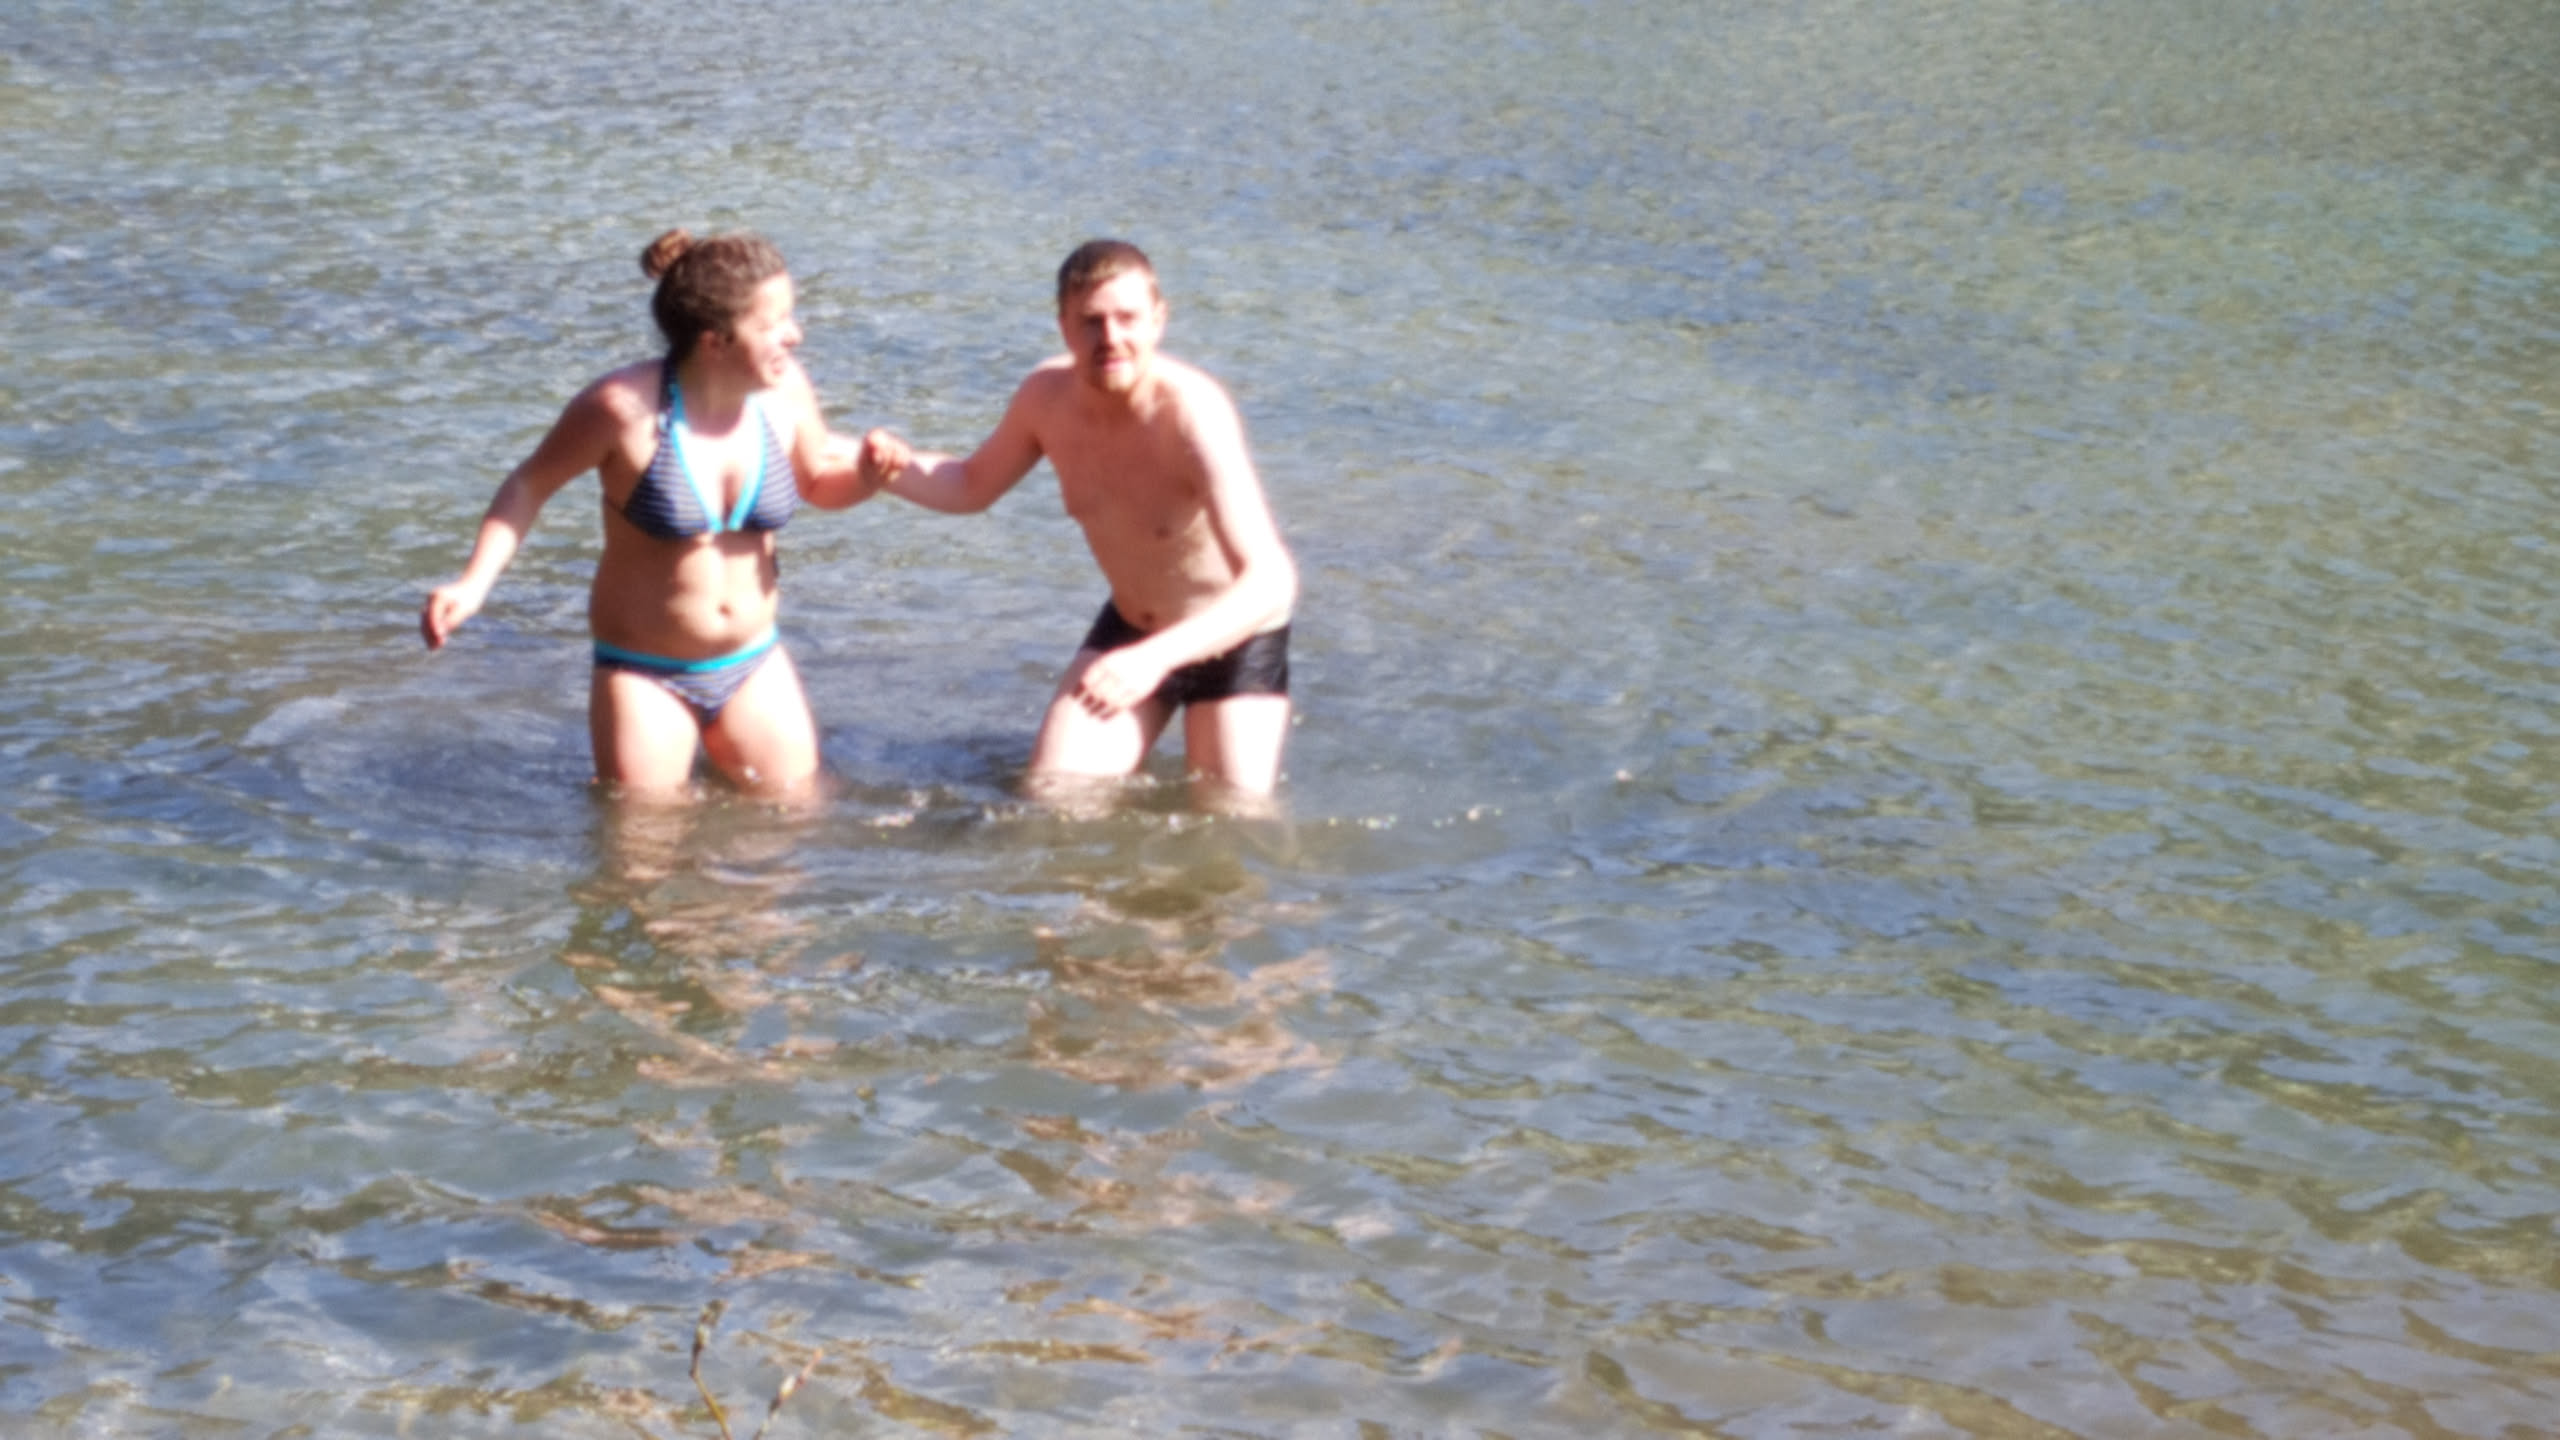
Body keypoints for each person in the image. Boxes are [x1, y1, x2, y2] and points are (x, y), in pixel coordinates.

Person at [420, 228, 899, 800]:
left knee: (793, 823)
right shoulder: (621, 410)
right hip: (644, 672)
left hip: (754, 660)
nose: (795, 335)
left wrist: (868, 478)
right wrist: (473, 584)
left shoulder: (785, 391)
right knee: (642, 842)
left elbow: (817, 480)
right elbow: (529, 484)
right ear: (715, 341)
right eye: (773, 324)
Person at [868, 240, 1299, 799]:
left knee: (1231, 822)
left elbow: (1271, 581)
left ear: (1158, 320)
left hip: (1232, 635)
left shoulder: (1192, 413)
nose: (1110, 338)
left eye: (1127, 319)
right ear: (1064, 328)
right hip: (1135, 626)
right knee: (1053, 799)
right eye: (1092, 322)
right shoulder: (1045, 399)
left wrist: (1153, 660)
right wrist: (883, 466)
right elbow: (971, 484)